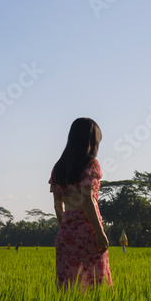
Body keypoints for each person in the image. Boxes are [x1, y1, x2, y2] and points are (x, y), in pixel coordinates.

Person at [49, 117, 112, 291]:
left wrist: (66, 229)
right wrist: (100, 233)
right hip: (88, 231)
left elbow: (57, 205)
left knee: (68, 287)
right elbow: (87, 199)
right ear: (91, 141)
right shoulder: (91, 164)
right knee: (94, 287)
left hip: (65, 233)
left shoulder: (58, 167)